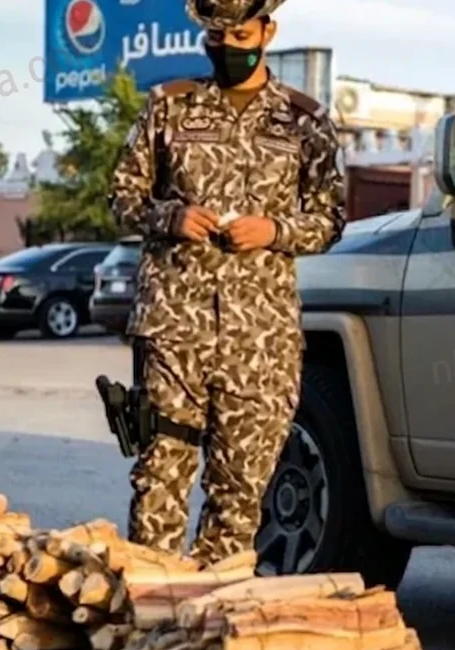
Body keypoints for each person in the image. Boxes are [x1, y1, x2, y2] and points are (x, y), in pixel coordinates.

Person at [108, 0, 345, 564]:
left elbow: (330, 219)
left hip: (260, 337)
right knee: (159, 480)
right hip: (175, 327)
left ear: (267, 31)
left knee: (240, 492)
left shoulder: (303, 121)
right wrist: (169, 217)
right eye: (215, 37)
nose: (227, 48)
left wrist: (275, 230)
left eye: (240, 35)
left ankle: (216, 607)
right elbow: (122, 196)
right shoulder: (169, 107)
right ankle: (150, 606)